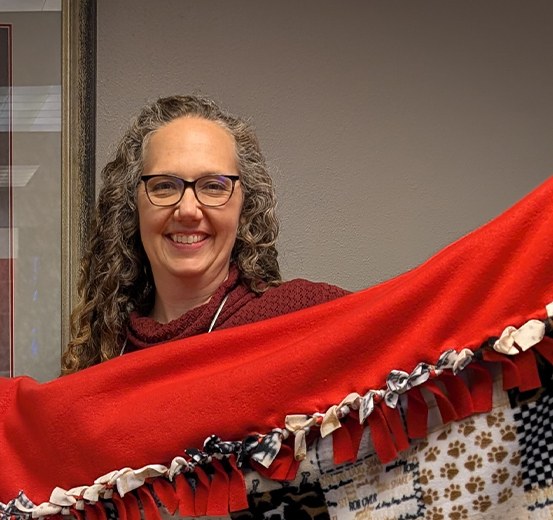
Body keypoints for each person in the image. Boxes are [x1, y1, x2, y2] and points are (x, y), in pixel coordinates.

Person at [62, 95, 349, 373]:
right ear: (131, 206)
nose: (188, 210)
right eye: (164, 186)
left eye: (214, 186)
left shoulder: (300, 318)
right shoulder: (105, 355)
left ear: (244, 206)